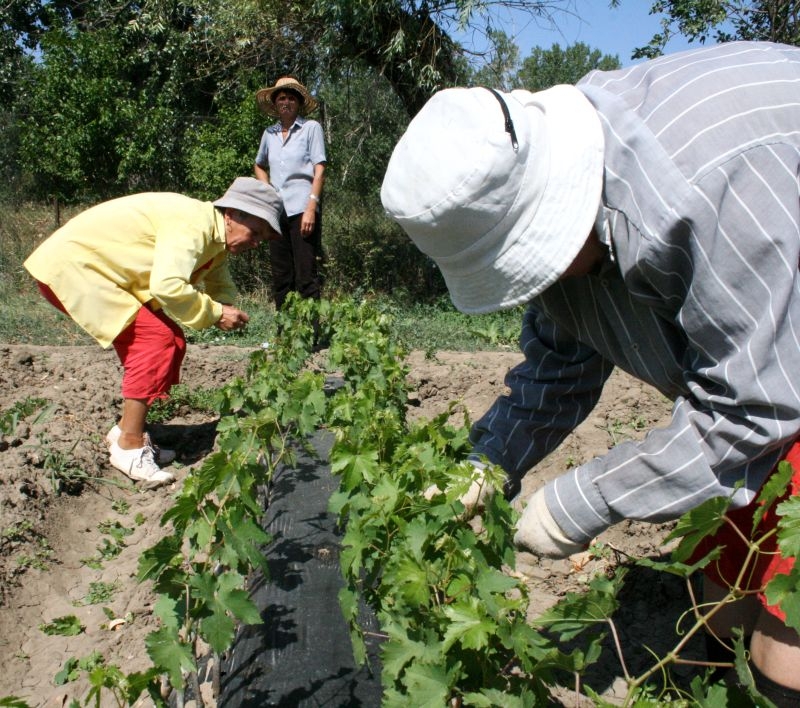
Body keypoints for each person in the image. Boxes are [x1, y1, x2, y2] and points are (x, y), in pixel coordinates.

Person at [380, 41, 800, 706]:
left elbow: (759, 405)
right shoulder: (567, 211)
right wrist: (488, 461)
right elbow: (561, 363)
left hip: (783, 368)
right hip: (770, 366)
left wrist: (581, 502)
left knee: (786, 633)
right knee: (726, 587)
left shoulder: (701, 190)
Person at [24, 177, 283, 489]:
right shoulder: (194, 224)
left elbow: (217, 277)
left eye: (262, 238)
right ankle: (129, 446)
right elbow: (168, 285)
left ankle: (124, 430)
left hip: (100, 273)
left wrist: (224, 305)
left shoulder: (216, 237)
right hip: (75, 267)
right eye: (256, 233)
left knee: (172, 341)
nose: (256, 243)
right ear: (233, 214)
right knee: (155, 342)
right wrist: (215, 313)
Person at [254, 77, 327, 312]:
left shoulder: (310, 128)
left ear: (299, 103)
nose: (286, 102)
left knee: (306, 275)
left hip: (302, 209)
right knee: (281, 275)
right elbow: (259, 164)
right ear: (275, 103)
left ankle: (311, 329)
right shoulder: (269, 133)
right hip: (277, 212)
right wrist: (267, 190)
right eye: (282, 98)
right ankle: (285, 329)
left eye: (291, 98)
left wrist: (311, 208)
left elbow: (319, 169)